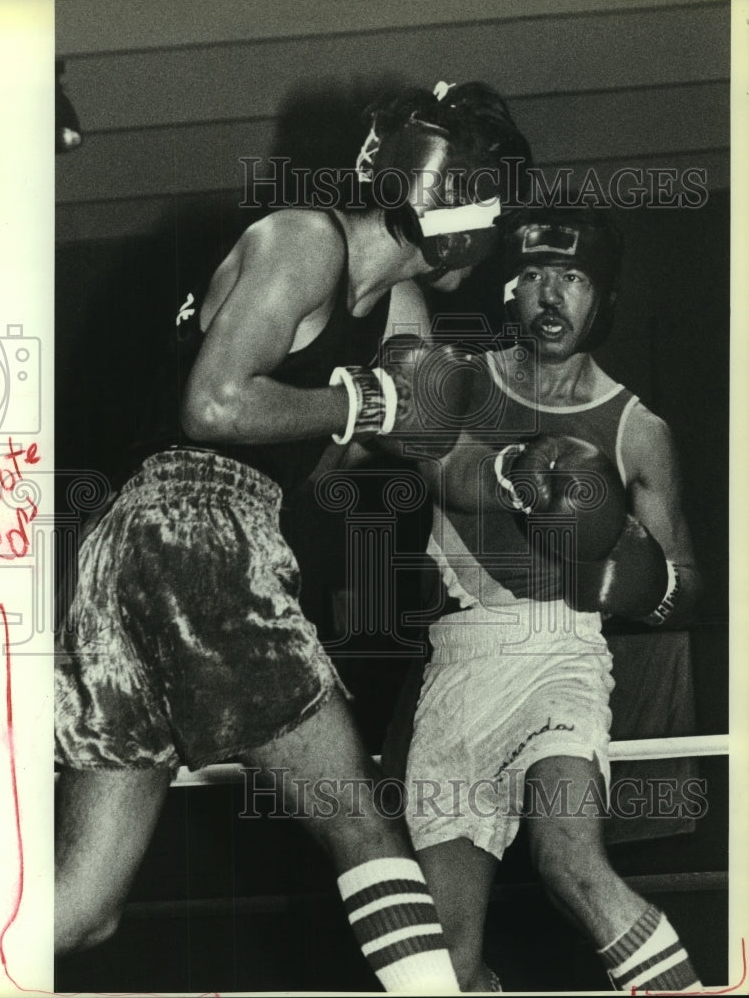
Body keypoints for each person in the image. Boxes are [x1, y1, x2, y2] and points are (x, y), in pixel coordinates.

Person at [53, 81, 532, 992]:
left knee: (82, 909)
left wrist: (511, 474)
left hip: (155, 552)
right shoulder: (300, 239)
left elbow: (417, 451)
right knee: (360, 820)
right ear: (463, 207)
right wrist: (356, 402)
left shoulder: (397, 312)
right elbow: (215, 403)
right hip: (192, 527)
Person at [389, 207, 703, 992]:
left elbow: (686, 584)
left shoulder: (639, 430)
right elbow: (422, 458)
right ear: (509, 288)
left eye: (572, 278)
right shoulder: (457, 382)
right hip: (459, 664)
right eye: (533, 276)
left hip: (563, 654)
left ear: (603, 299)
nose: (550, 296)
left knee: (570, 862)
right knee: (444, 961)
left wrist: (633, 581)